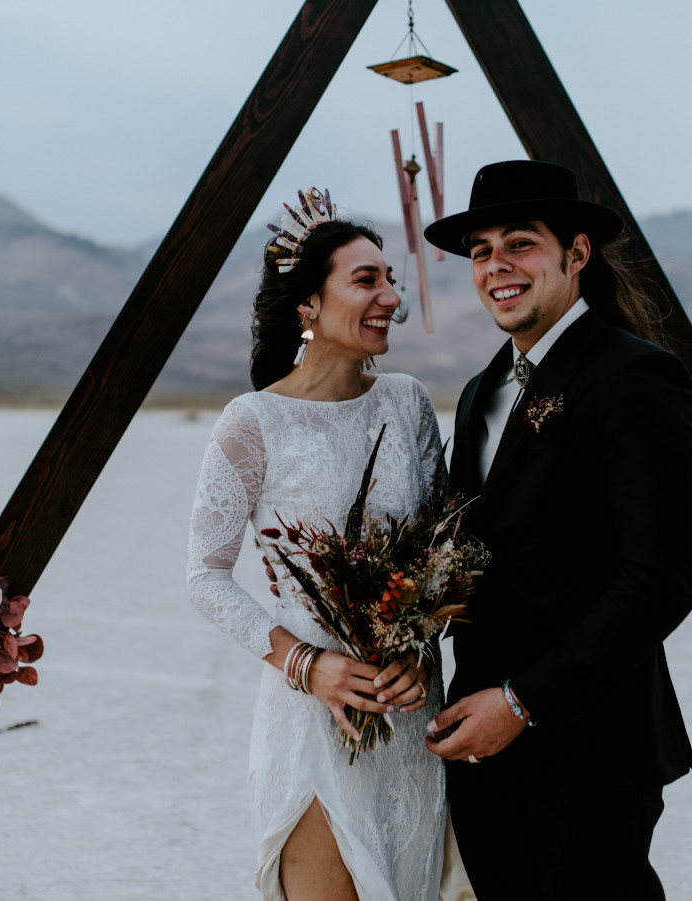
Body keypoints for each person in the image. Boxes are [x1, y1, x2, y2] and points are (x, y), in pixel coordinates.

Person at [421, 160, 692, 899]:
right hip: (480, 744)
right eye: (481, 251)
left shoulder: (633, 376)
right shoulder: (483, 390)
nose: (497, 267)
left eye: (520, 244)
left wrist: (520, 702)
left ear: (577, 254)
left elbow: (662, 577)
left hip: (589, 747)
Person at [186, 188, 449, 901]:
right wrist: (308, 665)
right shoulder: (254, 422)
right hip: (308, 719)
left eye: (391, 277)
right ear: (308, 303)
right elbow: (205, 576)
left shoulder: (408, 402)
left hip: (407, 716)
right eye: (367, 279)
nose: (390, 295)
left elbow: (440, 556)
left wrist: (416, 648)